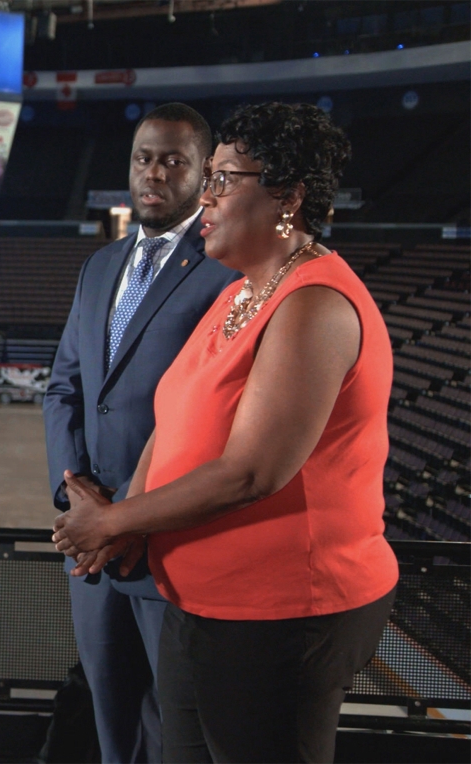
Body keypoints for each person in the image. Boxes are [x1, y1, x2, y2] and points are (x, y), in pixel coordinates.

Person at [53, 102, 398, 763]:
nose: (203, 197)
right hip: (202, 601)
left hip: (284, 610)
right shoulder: (243, 290)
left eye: (223, 179)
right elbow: (171, 418)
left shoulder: (315, 303)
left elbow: (252, 471)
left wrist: (118, 517)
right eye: (207, 177)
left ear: (287, 197)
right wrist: (132, 524)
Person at [42, 103, 237, 763]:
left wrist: (127, 515)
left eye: (173, 161)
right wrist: (77, 499)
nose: (153, 173)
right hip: (94, 551)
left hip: (168, 547)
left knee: (178, 730)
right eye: (143, 158)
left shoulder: (226, 272)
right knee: (111, 719)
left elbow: (217, 416)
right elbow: (64, 388)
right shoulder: (99, 267)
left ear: (204, 174)